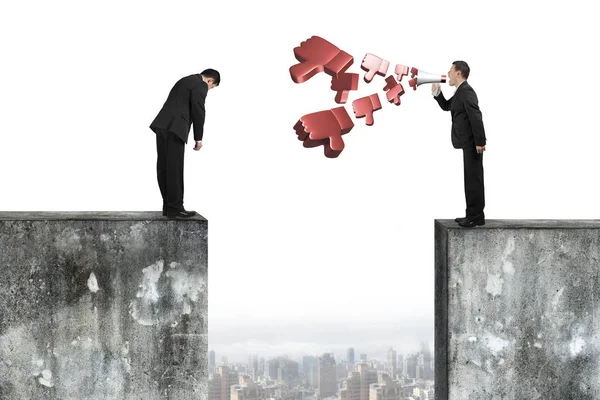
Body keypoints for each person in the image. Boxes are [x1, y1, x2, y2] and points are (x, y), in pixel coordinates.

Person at [150, 69, 220, 218]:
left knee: (164, 167)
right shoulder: (200, 84)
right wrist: (198, 138)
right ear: (210, 81)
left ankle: (168, 207)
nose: (209, 89)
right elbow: (198, 110)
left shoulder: (185, 80)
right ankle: (176, 208)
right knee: (175, 168)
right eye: (211, 87)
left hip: (162, 125)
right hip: (176, 128)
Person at [432, 61, 486, 228]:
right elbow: (448, 106)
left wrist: (480, 141)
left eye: (450, 70)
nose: (448, 73)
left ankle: (475, 216)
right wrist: (437, 94)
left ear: (459, 73)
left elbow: (476, 116)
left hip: (472, 143)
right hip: (468, 142)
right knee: (470, 178)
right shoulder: (460, 92)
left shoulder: (466, 92)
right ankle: (472, 214)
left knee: (473, 179)